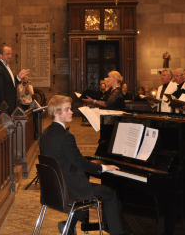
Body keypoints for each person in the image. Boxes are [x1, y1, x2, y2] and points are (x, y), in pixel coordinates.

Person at [40, 95, 124, 235]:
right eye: (67, 109)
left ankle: (69, 225)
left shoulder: (46, 133)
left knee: (85, 180)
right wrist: (104, 167)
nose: (71, 112)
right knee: (110, 193)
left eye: (70, 109)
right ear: (56, 113)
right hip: (69, 189)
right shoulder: (65, 137)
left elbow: (68, 158)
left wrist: (88, 164)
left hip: (53, 189)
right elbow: (80, 163)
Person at [0, 43, 30, 116]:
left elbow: (8, 84)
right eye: (7, 54)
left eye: (10, 54)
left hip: (9, 106)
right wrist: (3, 108)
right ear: (0, 55)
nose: (10, 56)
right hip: (3, 108)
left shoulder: (6, 66)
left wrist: (18, 77)